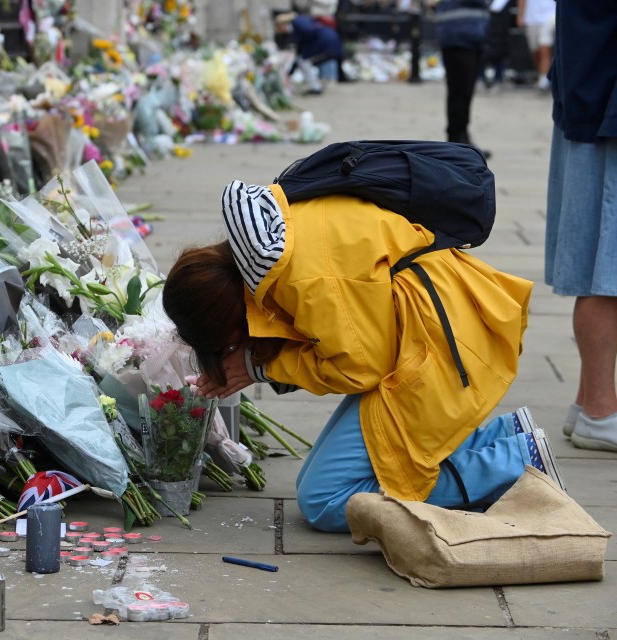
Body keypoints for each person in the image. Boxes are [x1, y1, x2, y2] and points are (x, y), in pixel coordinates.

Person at [161, 181, 563, 533]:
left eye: (224, 342)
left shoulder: (301, 278)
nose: (230, 349)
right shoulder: (269, 242)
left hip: (437, 348)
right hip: (432, 327)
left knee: (324, 499)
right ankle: (504, 436)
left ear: (226, 316)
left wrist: (263, 366)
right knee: (321, 477)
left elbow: (357, 369)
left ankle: (518, 463)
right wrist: (259, 364)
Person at [543, 1, 617, 451]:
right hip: (605, 106)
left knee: (602, 264)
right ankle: (600, 412)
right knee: (606, 272)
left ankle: (590, 399)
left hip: (590, 97)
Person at [434, 0, 491, 154]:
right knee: (461, 92)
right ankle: (458, 141)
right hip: (460, 36)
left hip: (466, 36)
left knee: (462, 93)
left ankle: (460, 138)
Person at [286, 14, 344, 95]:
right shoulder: (306, 20)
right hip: (333, 41)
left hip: (324, 44)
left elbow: (300, 51)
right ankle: (317, 85)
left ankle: (315, 87)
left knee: (303, 61)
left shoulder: (297, 23)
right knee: (307, 61)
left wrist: (289, 73)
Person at [516, 0, 554, 91]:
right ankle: (542, 75)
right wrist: (520, 14)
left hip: (549, 16)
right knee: (535, 51)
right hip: (531, 18)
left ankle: (543, 81)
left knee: (545, 49)